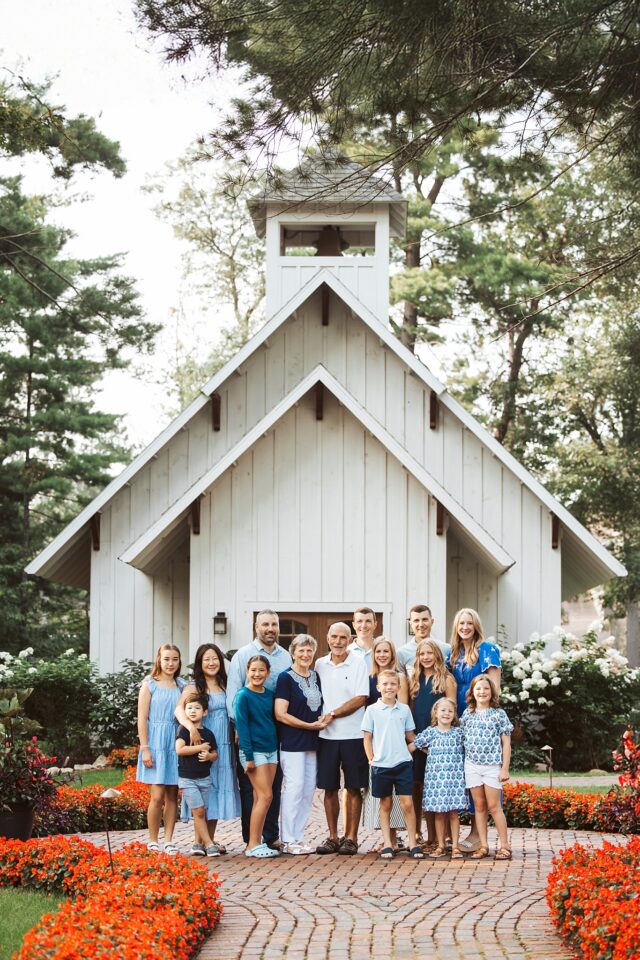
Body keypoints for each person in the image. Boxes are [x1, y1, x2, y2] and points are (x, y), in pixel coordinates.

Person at [226, 610, 292, 850]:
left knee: (273, 787)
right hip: (249, 727)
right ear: (256, 627)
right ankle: (251, 839)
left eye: (274, 624)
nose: (270, 628)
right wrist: (237, 728)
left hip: (275, 726)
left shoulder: (286, 657)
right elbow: (233, 694)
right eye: (265, 624)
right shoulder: (244, 656)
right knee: (251, 788)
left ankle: (270, 836)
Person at [175, 643, 240, 854]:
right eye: (206, 659)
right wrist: (191, 729)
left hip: (223, 743)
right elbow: (179, 710)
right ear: (199, 663)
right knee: (203, 791)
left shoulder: (225, 684)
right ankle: (199, 841)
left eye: (215, 659)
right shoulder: (194, 687)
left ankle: (208, 840)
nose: (211, 663)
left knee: (217, 790)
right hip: (201, 741)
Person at [447, 607, 502, 851]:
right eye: (461, 624)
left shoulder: (488, 650)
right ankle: (469, 830)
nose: (465, 627)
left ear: (476, 625)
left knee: (484, 771)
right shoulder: (453, 653)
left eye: (469, 623)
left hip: (480, 714)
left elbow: (494, 685)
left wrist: (487, 713)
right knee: (466, 774)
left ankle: (477, 833)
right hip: (459, 714)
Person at [314, 621, 370, 855]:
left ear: (350, 639)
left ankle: (351, 838)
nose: (338, 642)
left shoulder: (358, 663)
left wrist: (333, 714)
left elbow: (361, 698)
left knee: (354, 787)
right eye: (334, 637)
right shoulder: (319, 664)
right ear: (327, 638)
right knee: (329, 788)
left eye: (343, 638)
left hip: (353, 734)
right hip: (326, 736)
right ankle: (333, 837)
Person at [274, 634, 329, 854]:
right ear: (293, 652)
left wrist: (324, 721)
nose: (305, 655)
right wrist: (308, 726)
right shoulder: (285, 678)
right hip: (292, 741)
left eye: (309, 650)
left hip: (313, 742)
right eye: (301, 650)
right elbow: (280, 714)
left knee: (308, 790)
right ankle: (287, 839)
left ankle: (298, 836)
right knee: (293, 789)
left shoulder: (315, 677)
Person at [362, 669, 424, 860]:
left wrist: (428, 745)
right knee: (385, 804)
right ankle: (388, 843)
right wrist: (371, 758)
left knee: (407, 804)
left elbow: (410, 736)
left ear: (398, 687)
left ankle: (413, 843)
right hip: (381, 765)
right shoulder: (372, 710)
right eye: (385, 684)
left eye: (393, 684)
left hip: (402, 763)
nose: (389, 687)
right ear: (378, 687)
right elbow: (367, 737)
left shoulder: (404, 709)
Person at [136, 643, 185, 855]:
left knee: (173, 796)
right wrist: (145, 748)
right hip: (155, 743)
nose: (170, 663)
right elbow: (142, 718)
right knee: (156, 796)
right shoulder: (150, 684)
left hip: (174, 743)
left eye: (174, 659)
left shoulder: (182, 686)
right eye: (166, 659)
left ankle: (168, 839)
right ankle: (153, 839)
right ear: (159, 660)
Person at [408, 639, 458, 847]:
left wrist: (440, 741)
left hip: (440, 743)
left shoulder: (446, 679)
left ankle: (438, 837)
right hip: (418, 738)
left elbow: (452, 709)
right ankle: (419, 834)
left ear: (437, 655)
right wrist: (414, 740)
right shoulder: (413, 679)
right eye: (422, 654)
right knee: (417, 787)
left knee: (436, 789)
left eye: (430, 653)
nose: (426, 657)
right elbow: (409, 710)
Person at [460, 674, 513, 860]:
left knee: (494, 806)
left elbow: (506, 743)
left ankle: (505, 845)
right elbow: (461, 740)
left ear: (492, 692)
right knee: (479, 806)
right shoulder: (467, 714)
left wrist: (504, 768)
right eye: (478, 689)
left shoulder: (499, 714)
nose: (482, 692)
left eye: (486, 688)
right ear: (472, 693)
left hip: (492, 766)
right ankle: (483, 845)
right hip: (472, 766)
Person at [362, 637, 409, 848]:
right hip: (379, 747)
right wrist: (371, 754)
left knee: (401, 800)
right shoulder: (370, 677)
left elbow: (403, 710)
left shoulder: (399, 678)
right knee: (383, 800)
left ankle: (396, 837)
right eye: (378, 651)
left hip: (397, 746)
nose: (382, 655)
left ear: (392, 654)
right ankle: (386, 840)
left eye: (386, 651)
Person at [234, 655, 280, 858]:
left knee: (260, 797)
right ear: (247, 671)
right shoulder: (243, 696)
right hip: (254, 752)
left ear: (268, 673)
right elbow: (242, 728)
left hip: (272, 750)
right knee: (266, 796)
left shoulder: (269, 695)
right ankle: (252, 845)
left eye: (261, 670)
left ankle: (258, 841)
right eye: (253, 670)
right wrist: (249, 756)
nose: (257, 674)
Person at [413, 697, 467, 860]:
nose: (447, 713)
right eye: (443, 710)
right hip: (436, 781)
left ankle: (456, 846)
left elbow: (468, 748)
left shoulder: (459, 732)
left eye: (450, 711)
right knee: (439, 814)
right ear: (435, 713)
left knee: (453, 813)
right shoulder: (431, 731)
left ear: (454, 715)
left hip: (454, 780)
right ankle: (441, 845)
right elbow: (415, 744)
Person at [175, 693, 219, 857]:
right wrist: (200, 748)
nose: (193, 711)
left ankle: (197, 844)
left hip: (205, 778)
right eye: (189, 708)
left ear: (205, 712)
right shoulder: (184, 730)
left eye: (197, 708)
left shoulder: (208, 733)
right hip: (188, 779)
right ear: (185, 711)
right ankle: (209, 844)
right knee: (199, 811)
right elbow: (180, 750)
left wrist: (209, 756)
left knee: (202, 812)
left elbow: (215, 753)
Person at [397, 604, 450, 673]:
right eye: (416, 620)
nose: (421, 624)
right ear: (410, 624)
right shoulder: (402, 653)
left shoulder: (446, 649)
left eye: (424, 619)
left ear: (432, 621)